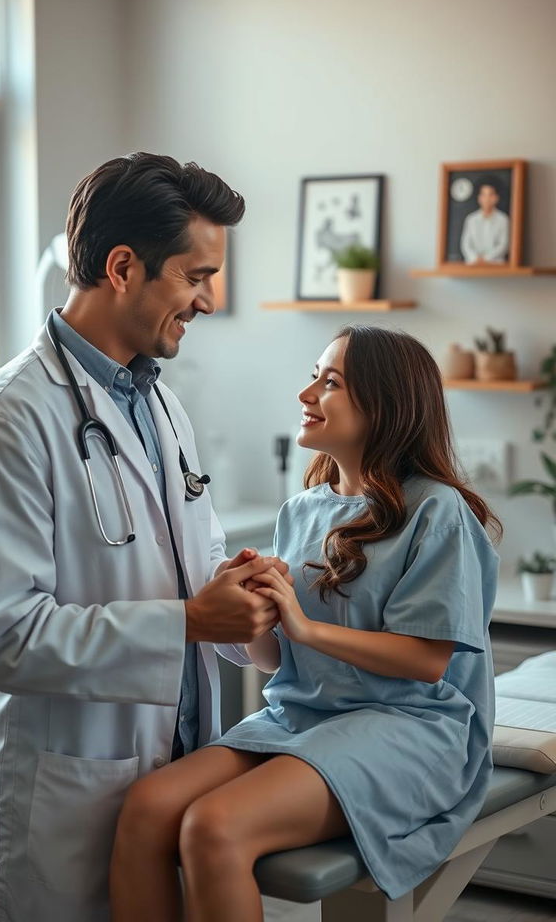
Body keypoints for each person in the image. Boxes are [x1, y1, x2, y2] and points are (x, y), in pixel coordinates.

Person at [0, 153, 288, 922]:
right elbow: (6, 641)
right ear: (123, 266)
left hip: (180, 779)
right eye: (195, 275)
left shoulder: (160, 407)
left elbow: (190, 577)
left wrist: (247, 598)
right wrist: (192, 620)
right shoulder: (7, 423)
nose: (209, 300)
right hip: (68, 801)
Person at [109, 325, 501, 922]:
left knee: (214, 827)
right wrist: (252, 611)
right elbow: (274, 660)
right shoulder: (302, 510)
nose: (306, 393)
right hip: (301, 718)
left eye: (331, 381)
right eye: (314, 375)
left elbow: (426, 661)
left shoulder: (435, 510)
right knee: (146, 807)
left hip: (409, 725)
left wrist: (306, 626)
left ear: (386, 403)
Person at [460, 179, 510, 263]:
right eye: (483, 195)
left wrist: (486, 258)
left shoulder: (503, 219)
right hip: (473, 264)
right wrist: (475, 258)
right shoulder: (471, 219)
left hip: (496, 265)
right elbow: (465, 244)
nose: (487, 199)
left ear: (496, 198)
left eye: (490, 195)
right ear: (479, 198)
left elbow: (503, 245)